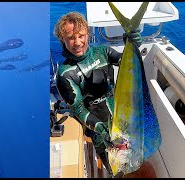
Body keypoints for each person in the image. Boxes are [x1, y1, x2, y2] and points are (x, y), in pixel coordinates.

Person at [53, 12, 142, 176]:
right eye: (71, 38)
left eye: (81, 36)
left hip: (121, 116)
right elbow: (79, 110)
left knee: (135, 157)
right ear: (62, 40)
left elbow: (127, 64)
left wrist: (132, 44)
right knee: (116, 167)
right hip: (98, 125)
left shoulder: (103, 52)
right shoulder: (65, 74)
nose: (77, 43)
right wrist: (101, 130)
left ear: (88, 34)